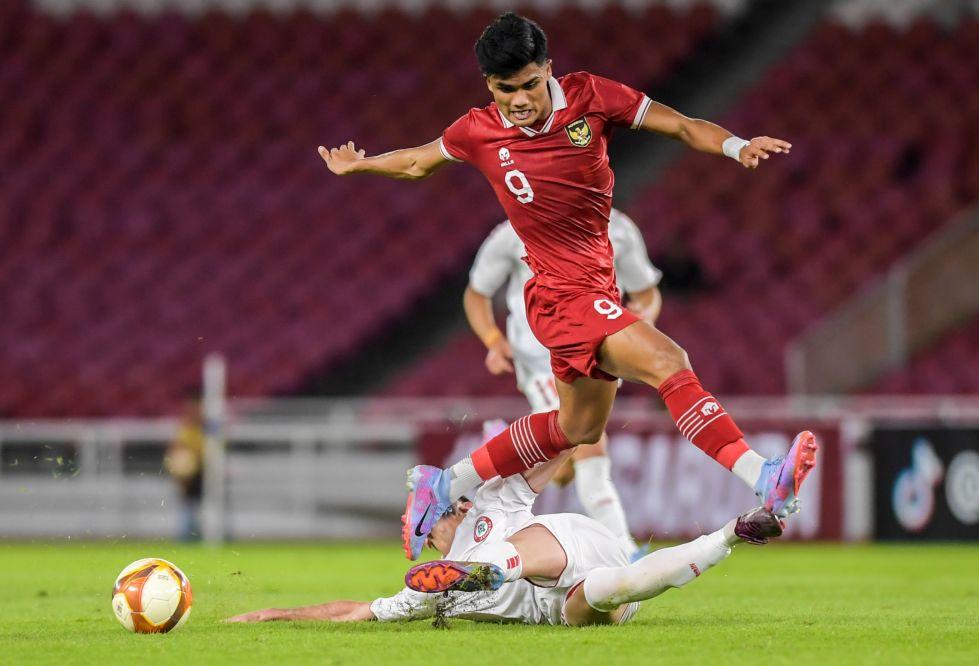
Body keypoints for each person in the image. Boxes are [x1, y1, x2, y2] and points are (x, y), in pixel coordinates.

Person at [317, 13, 817, 561]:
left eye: (530, 84)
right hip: (563, 297)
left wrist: (735, 146)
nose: (521, 99)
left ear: (548, 70)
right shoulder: (478, 129)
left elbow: (679, 125)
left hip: (592, 287)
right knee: (670, 360)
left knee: (577, 427)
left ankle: (446, 484)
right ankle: (760, 476)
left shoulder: (592, 97)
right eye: (507, 90)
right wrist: (361, 166)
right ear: (489, 86)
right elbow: (417, 163)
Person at [226, 451, 785, 627]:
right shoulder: (425, 587)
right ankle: (735, 533)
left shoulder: (489, 501)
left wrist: (578, 419)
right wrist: (274, 615)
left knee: (519, 555)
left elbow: (557, 445)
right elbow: (355, 613)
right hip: (566, 602)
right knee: (613, 593)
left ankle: (497, 567)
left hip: (558, 544)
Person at [464, 208, 662, 557]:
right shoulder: (515, 230)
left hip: (598, 352)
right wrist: (493, 340)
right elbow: (476, 292)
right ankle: (625, 548)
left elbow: (646, 292)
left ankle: (507, 445)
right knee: (590, 442)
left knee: (566, 464)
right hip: (541, 359)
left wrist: (644, 316)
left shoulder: (619, 229)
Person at [164, 397, 205, 542]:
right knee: (187, 505)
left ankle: (202, 534)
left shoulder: (206, 429)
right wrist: (179, 471)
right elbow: (176, 452)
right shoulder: (184, 430)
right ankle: (186, 536)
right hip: (188, 474)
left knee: (202, 505)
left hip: (204, 472)